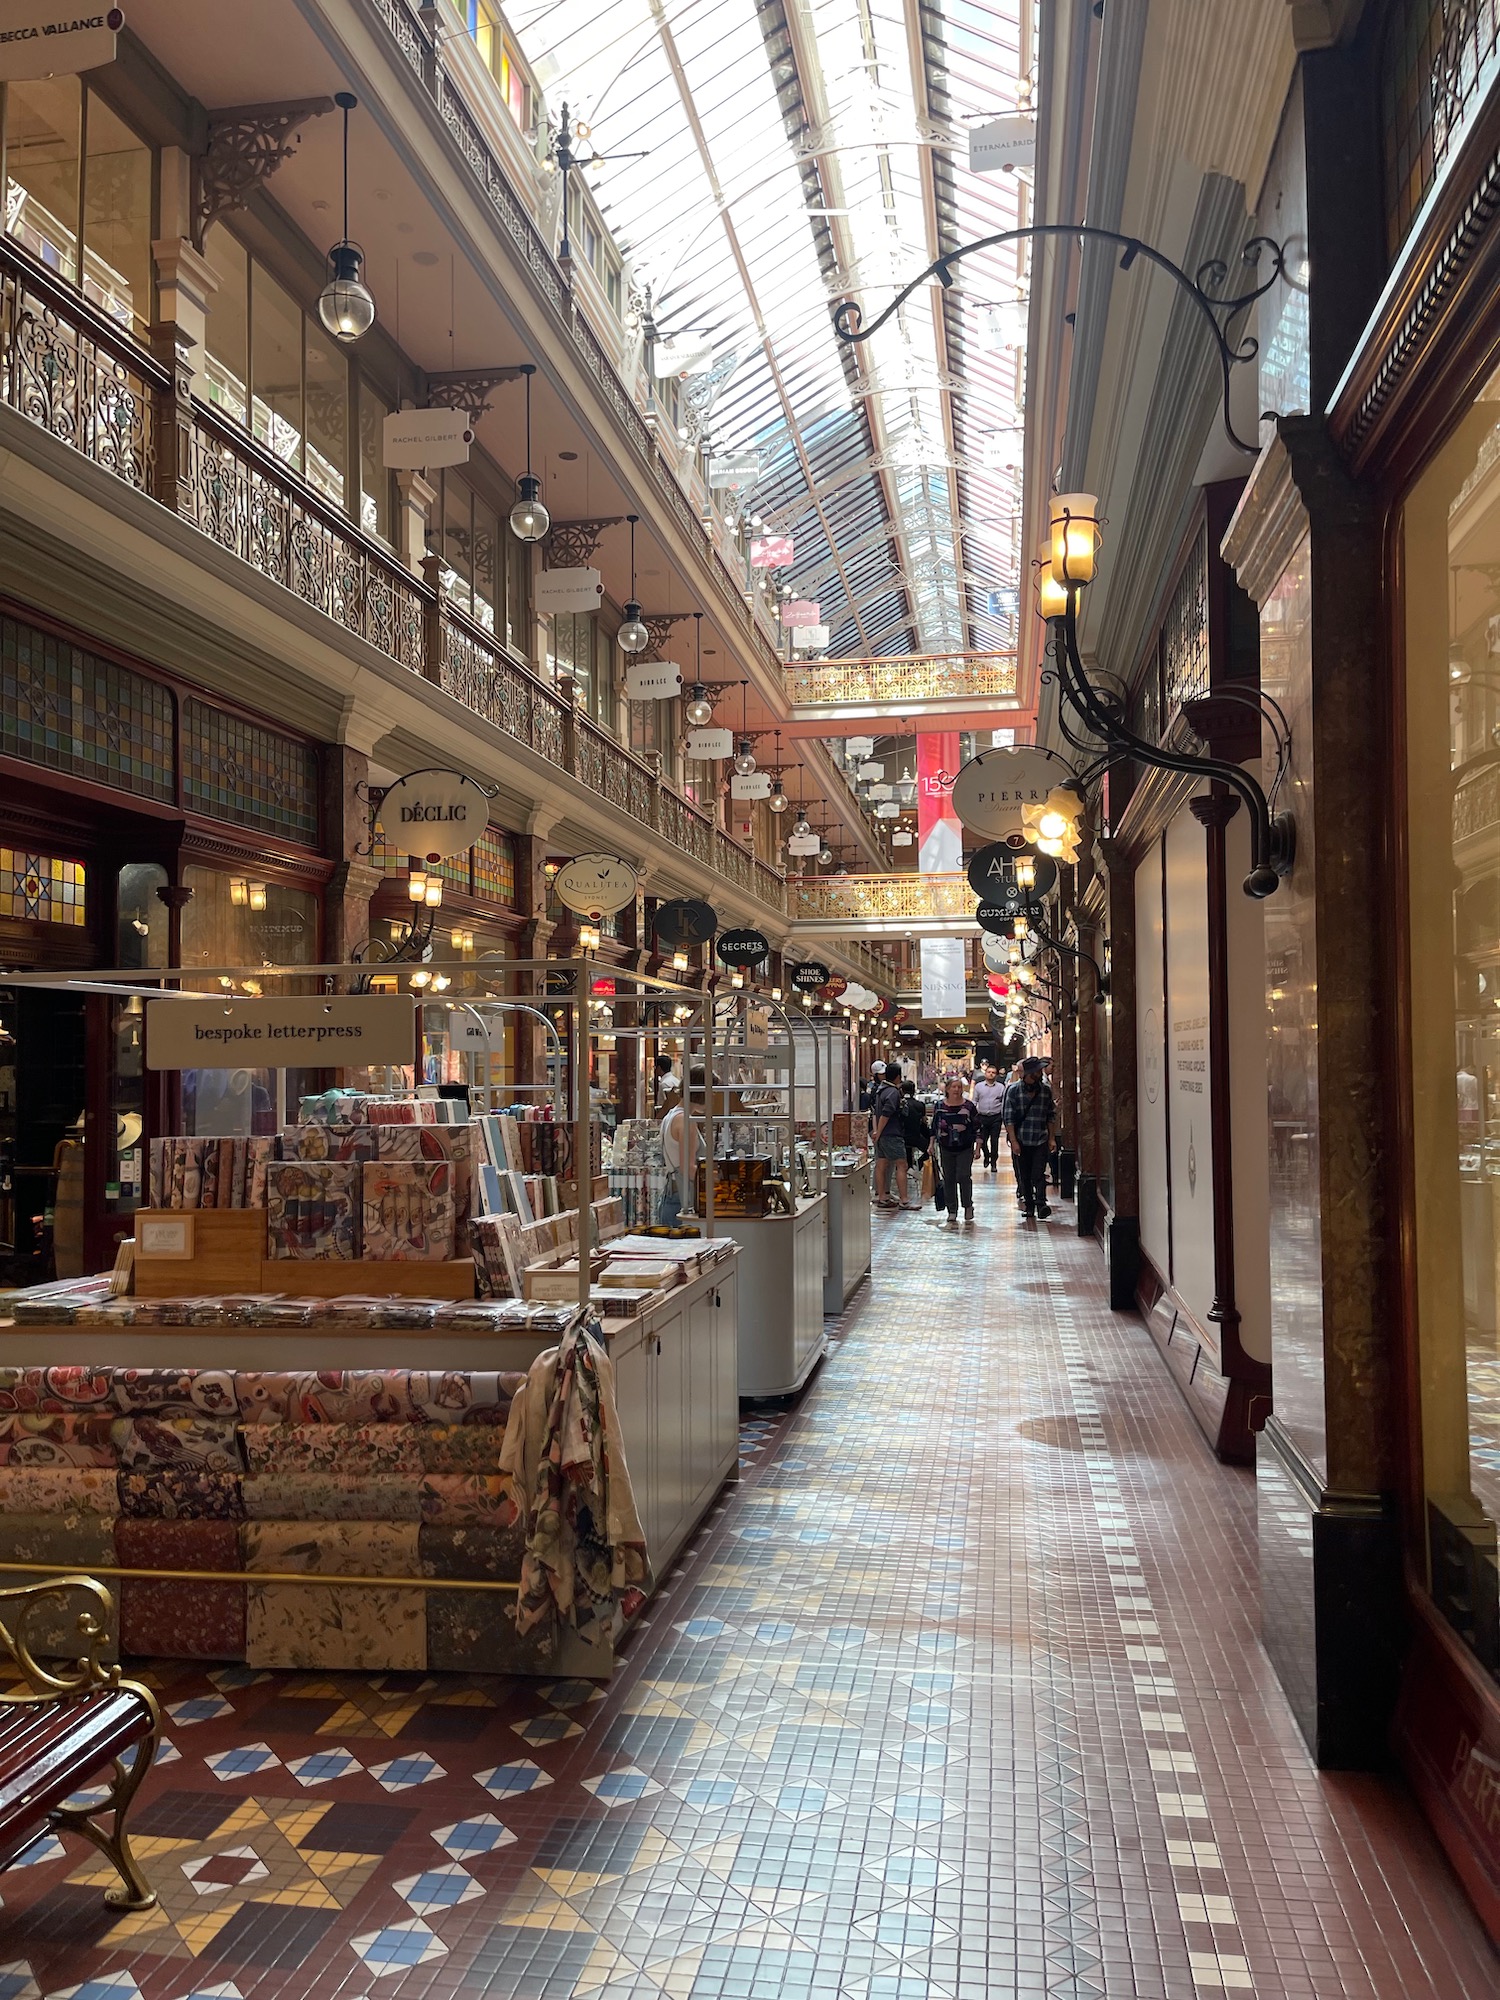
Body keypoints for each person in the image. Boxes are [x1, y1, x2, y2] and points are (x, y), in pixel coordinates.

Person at [1004, 1056, 1058, 1220]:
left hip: (1040, 1139)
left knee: (1038, 1173)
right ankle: (1029, 1205)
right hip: (1021, 1139)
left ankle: (1041, 1204)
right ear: (1029, 1073)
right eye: (1037, 1071)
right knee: (1024, 1175)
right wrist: (1013, 1141)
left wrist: (1052, 1138)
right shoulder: (1013, 1090)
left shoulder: (1045, 1091)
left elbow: (1051, 1116)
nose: (1040, 1074)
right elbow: (1008, 1118)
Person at [931, 1074, 980, 1226]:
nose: (956, 1090)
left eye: (959, 1087)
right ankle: (952, 1209)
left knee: (964, 1175)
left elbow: (977, 1127)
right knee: (949, 1178)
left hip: (965, 1146)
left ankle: (967, 1205)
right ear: (947, 1089)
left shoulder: (969, 1106)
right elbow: (934, 1126)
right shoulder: (939, 1106)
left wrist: (978, 1148)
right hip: (946, 1146)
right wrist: (931, 1144)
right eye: (953, 1087)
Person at [659, 1068, 705, 1228]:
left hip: (672, 1194)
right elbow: (688, 1167)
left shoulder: (671, 1116)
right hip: (683, 1199)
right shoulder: (686, 1121)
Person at [869, 1061, 910, 1210]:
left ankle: (882, 1196)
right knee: (901, 1164)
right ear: (898, 1076)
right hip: (891, 1133)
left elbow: (876, 1113)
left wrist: (876, 1133)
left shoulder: (880, 1090)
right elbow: (886, 1114)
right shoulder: (893, 1092)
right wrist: (878, 1133)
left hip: (882, 1134)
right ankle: (904, 1199)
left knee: (881, 1163)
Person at [971, 1060, 1007, 1171]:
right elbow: (974, 1101)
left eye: (993, 1072)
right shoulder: (979, 1087)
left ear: (996, 1075)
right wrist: (972, 1115)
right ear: (985, 1074)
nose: (991, 1074)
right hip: (982, 1116)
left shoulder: (1001, 1087)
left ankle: (994, 1163)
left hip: (996, 1117)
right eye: (989, 1072)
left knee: (994, 1140)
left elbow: (1004, 1102)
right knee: (982, 1140)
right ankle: (987, 1155)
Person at [898, 1079, 930, 1171]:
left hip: (901, 1138)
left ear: (902, 1091)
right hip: (916, 1137)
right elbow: (924, 1121)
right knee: (930, 1149)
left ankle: (908, 1167)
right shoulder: (920, 1105)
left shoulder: (899, 1104)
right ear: (914, 1091)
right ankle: (920, 1162)